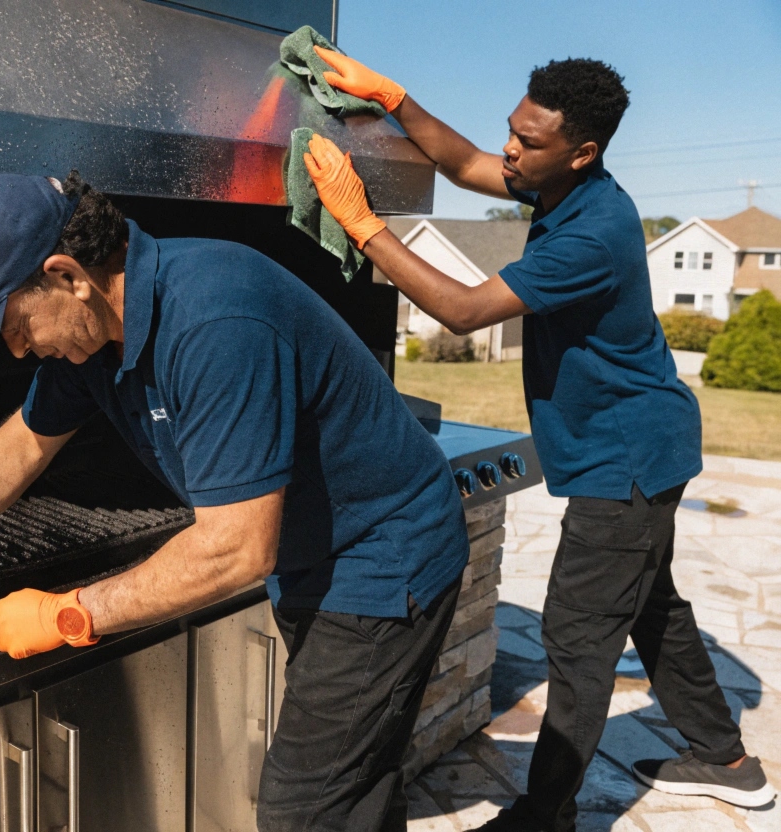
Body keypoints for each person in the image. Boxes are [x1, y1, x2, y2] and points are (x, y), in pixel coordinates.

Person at [0, 170, 471, 830]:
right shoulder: (95, 331)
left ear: (67, 274)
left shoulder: (216, 320)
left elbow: (236, 548)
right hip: (312, 552)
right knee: (356, 783)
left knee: (305, 809)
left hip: (384, 557)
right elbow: (23, 443)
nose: (16, 349)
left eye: (13, 324)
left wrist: (70, 613)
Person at [301, 52, 777, 829]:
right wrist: (394, 98)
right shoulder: (560, 184)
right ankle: (728, 761)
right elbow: (459, 164)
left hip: (625, 456)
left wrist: (364, 227)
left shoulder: (591, 233)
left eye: (530, 140)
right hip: (642, 440)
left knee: (576, 635)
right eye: (512, 132)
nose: (512, 151)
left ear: (583, 151)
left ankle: (546, 813)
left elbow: (458, 308)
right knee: (650, 606)